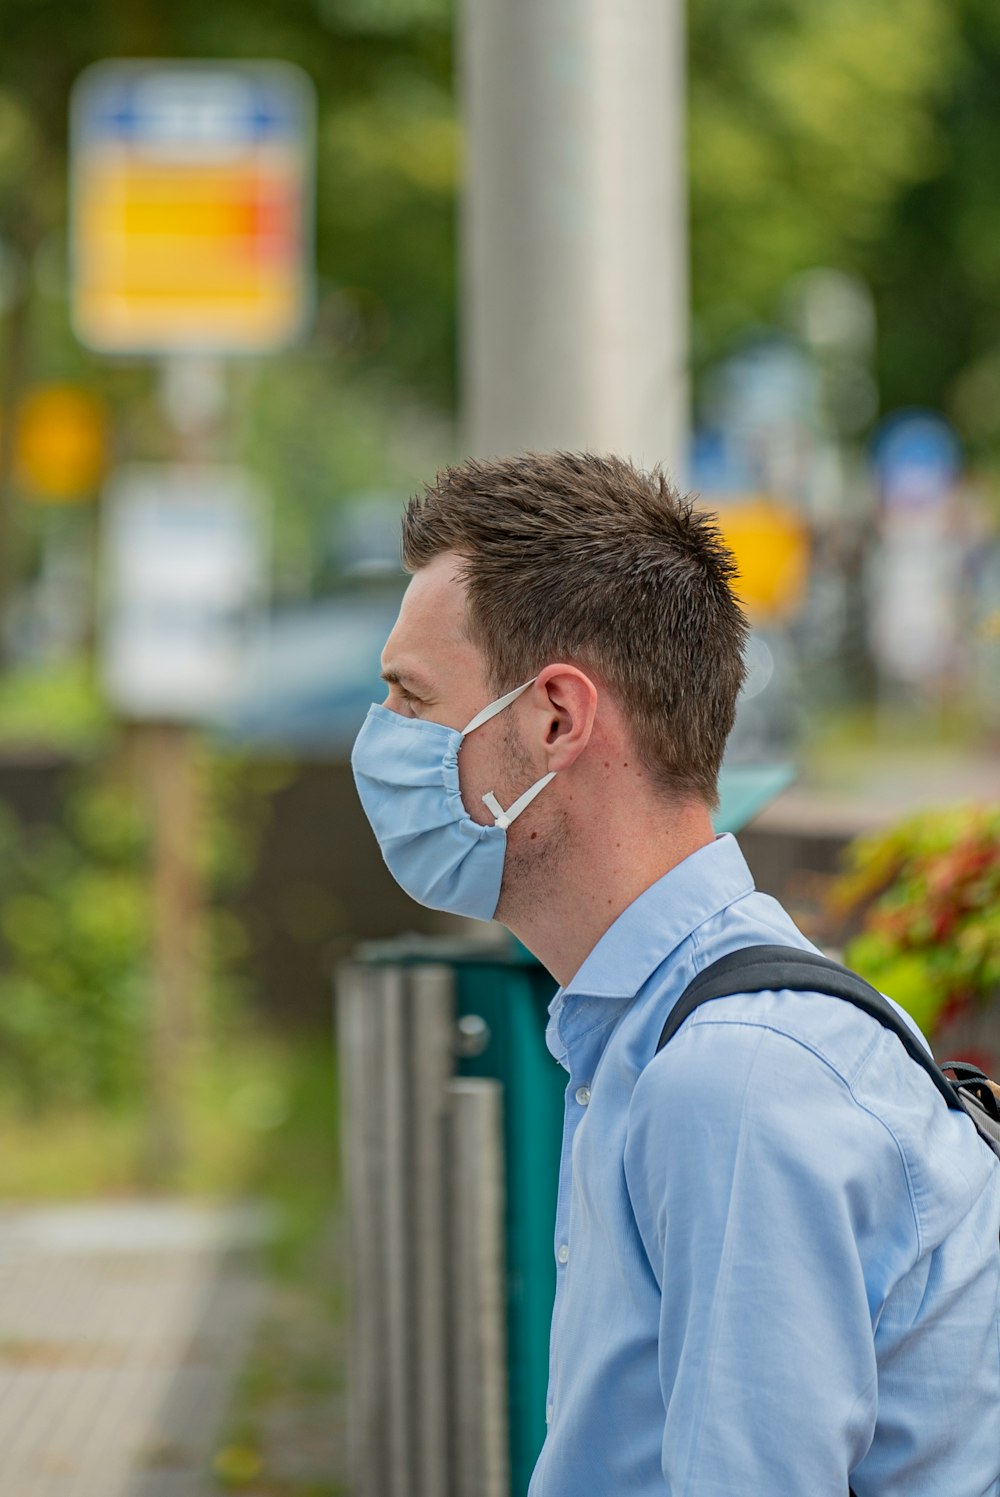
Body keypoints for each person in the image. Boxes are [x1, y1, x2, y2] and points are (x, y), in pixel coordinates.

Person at [351, 451, 1000, 1496]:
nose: (381, 743)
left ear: (556, 717)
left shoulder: (733, 1081)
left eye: (409, 697)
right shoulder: (659, 1035)